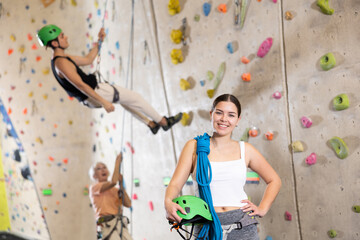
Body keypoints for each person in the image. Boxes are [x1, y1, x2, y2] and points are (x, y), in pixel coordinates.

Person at [164, 94, 282, 240]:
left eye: (231, 115)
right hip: (206, 225)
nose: (224, 119)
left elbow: (274, 180)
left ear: (238, 120)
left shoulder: (246, 149)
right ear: (211, 114)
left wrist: (262, 208)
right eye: (219, 112)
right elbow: (175, 184)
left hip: (242, 225)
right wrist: (168, 201)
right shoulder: (194, 147)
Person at [36, 24, 182, 135]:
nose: (66, 37)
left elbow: (88, 59)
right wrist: (104, 101)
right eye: (62, 36)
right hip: (95, 93)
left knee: (125, 100)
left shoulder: (63, 59)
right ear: (54, 43)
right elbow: (80, 85)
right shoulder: (60, 63)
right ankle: (164, 122)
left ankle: (151, 124)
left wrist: (99, 41)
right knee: (135, 98)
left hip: (91, 96)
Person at [89, 153, 132, 240]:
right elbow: (113, 182)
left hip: (119, 223)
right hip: (106, 225)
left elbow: (128, 204)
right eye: (99, 169)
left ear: (108, 172)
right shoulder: (94, 188)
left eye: (104, 167)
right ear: (94, 175)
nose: (103, 170)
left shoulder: (115, 190)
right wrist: (117, 162)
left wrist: (121, 186)